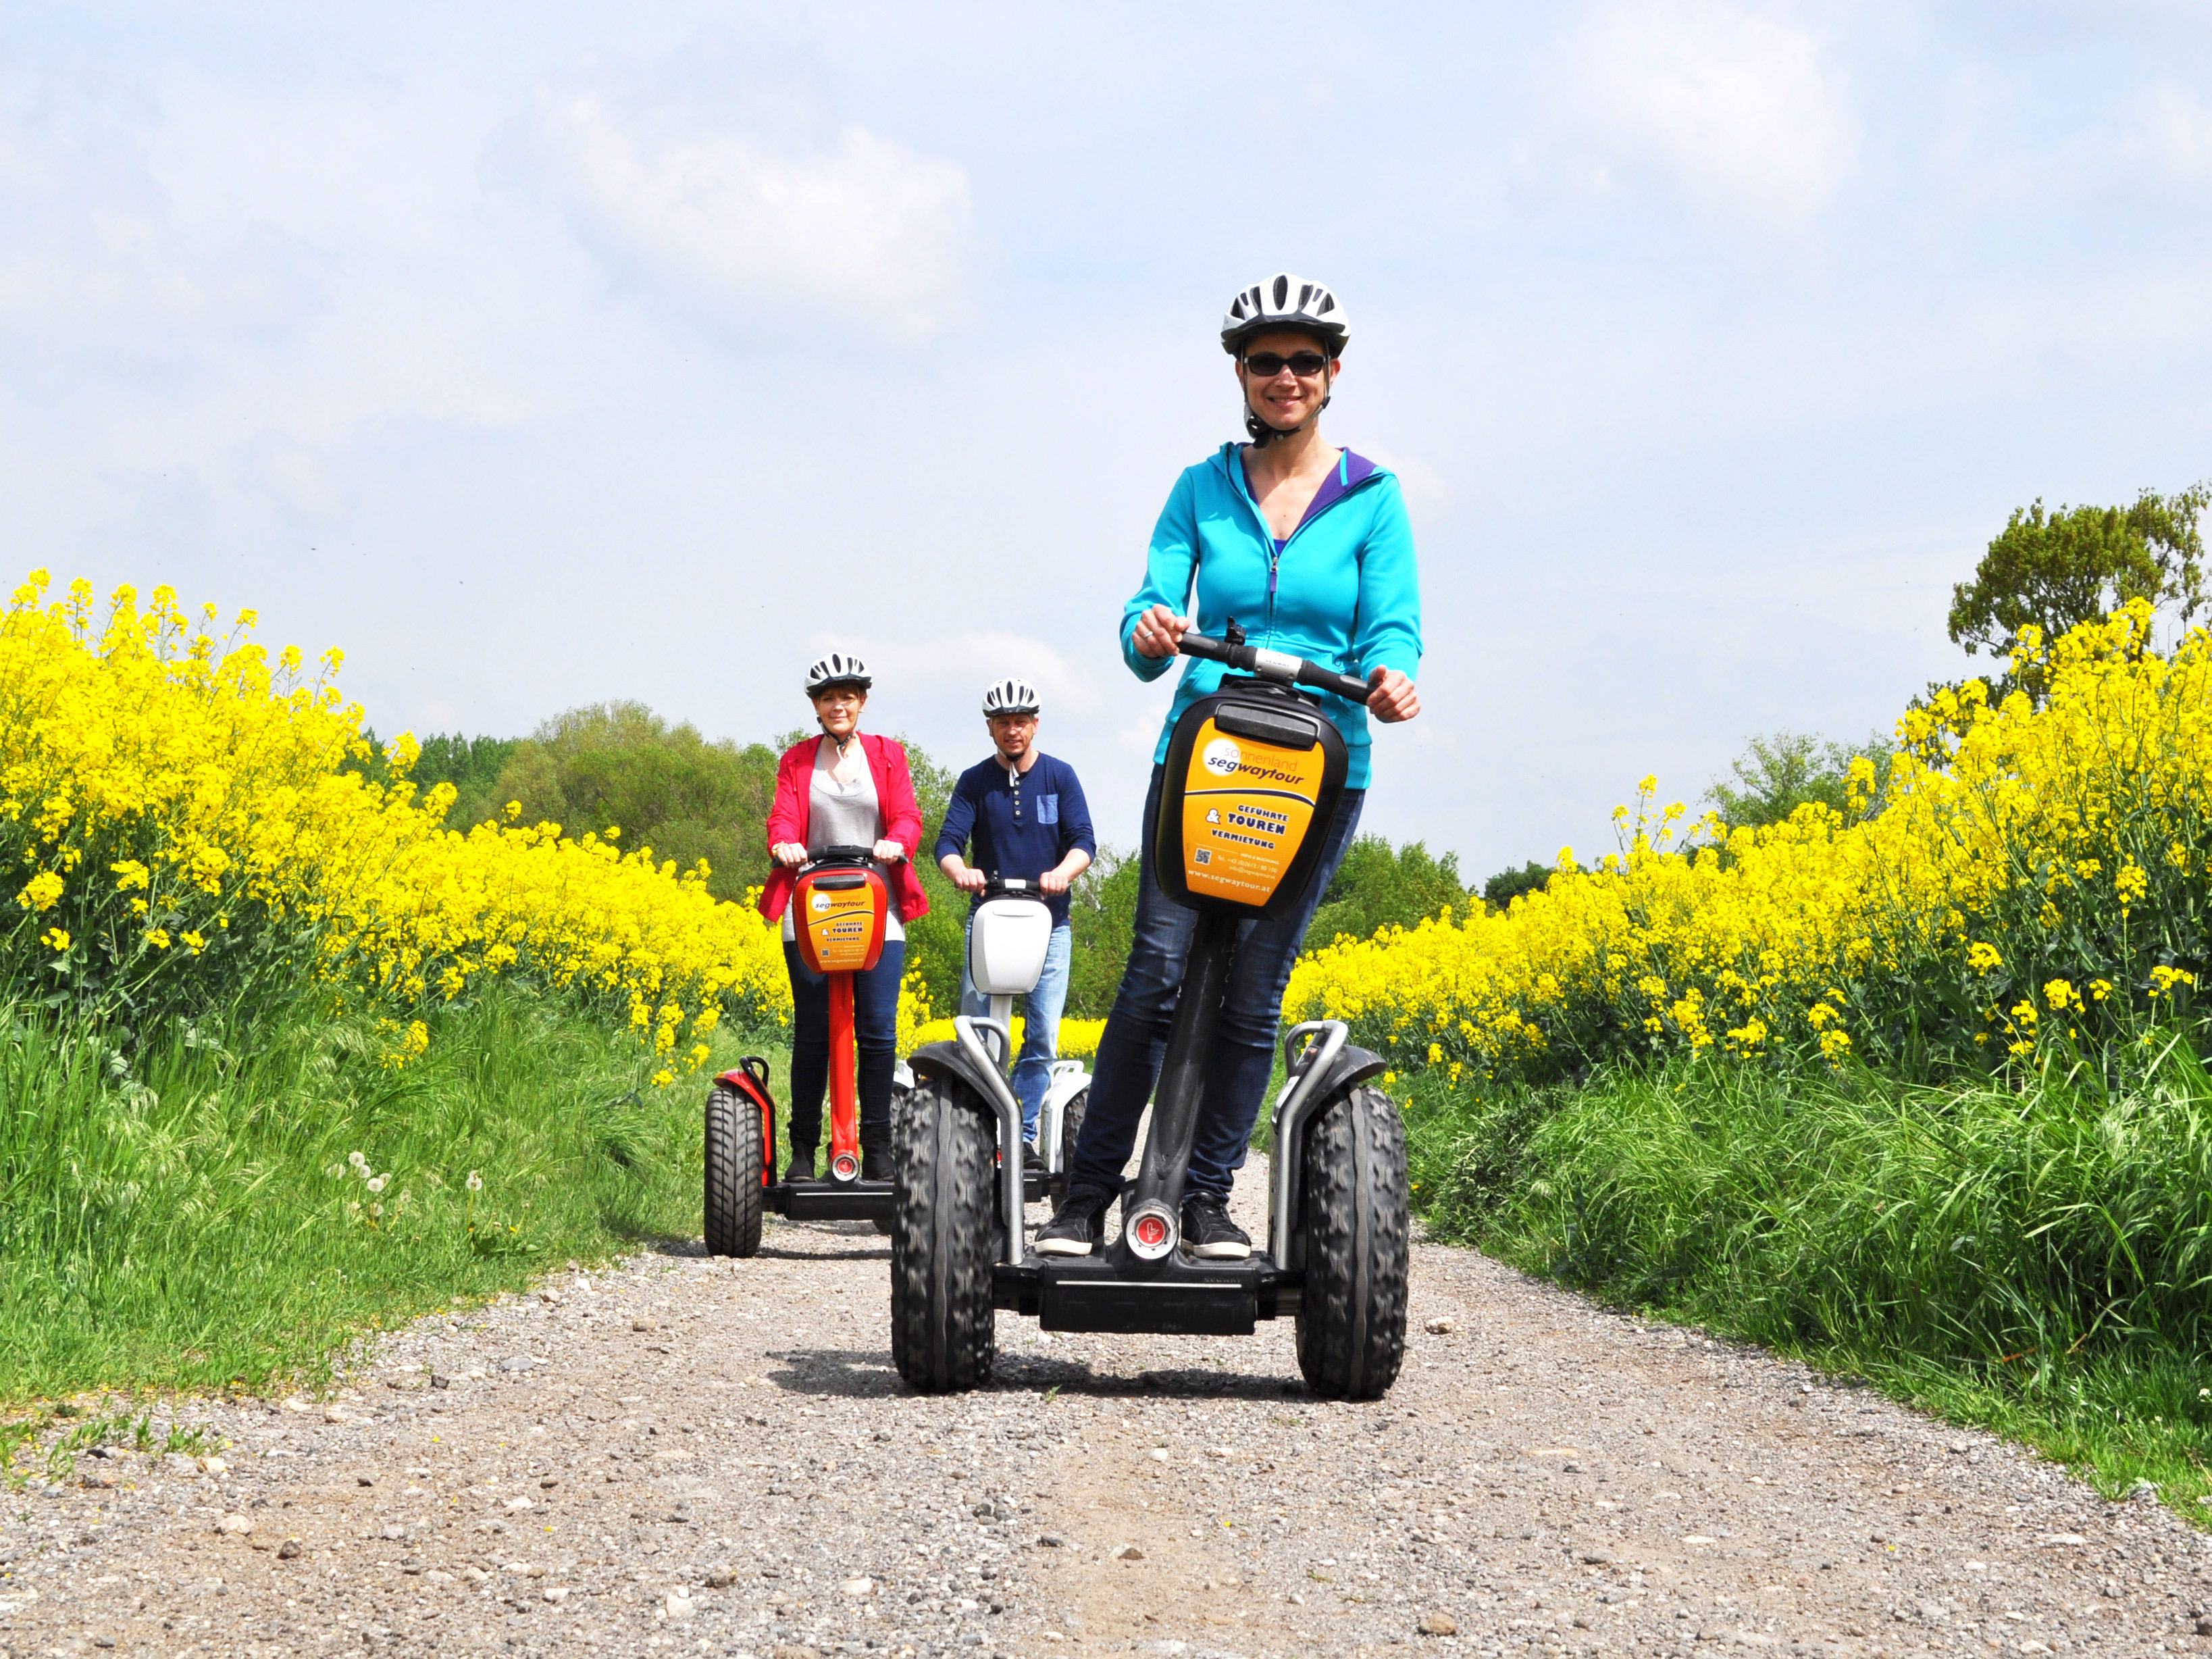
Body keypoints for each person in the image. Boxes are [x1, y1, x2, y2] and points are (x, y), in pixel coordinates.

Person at [1035, 272, 1422, 1260]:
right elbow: (1143, 614)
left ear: (1332, 373)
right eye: (1265, 362)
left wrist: (1391, 675)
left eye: (1302, 360)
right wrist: (1153, 628)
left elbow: (1391, 628)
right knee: (1155, 974)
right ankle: (1083, 1201)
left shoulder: (1372, 497)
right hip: (1204, 752)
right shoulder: (1199, 486)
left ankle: (1206, 1200)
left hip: (1322, 764)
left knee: (1255, 987)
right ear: (1240, 375)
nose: (1283, 377)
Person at [756, 653, 931, 1183]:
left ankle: (876, 1148)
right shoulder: (796, 759)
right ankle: (803, 1151)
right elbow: (783, 815)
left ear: (862, 702)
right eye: (829, 697)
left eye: (848, 696)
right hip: (811, 903)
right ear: (815, 705)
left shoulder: (887, 755)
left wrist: (896, 842)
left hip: (878, 902)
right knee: (812, 1032)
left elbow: (907, 814)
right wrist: (784, 843)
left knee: (877, 1031)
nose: (839, 705)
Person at [933, 678, 1098, 1152]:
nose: (1013, 731)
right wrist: (959, 871)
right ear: (990, 728)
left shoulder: (1059, 776)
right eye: (1003, 723)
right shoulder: (974, 780)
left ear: (1035, 725)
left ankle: (1021, 1136)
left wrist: (1062, 873)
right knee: (977, 1032)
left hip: (1050, 923)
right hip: (989, 919)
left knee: (1042, 1034)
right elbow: (947, 842)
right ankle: (977, 1132)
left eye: (1021, 722)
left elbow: (1083, 840)